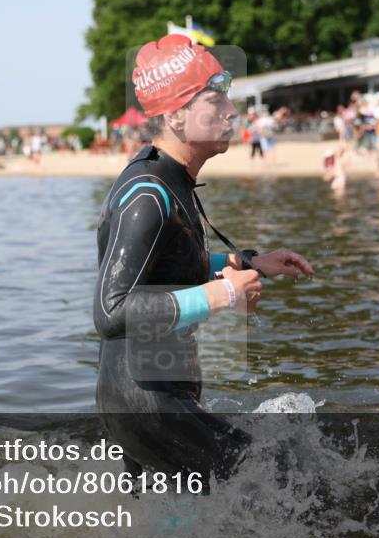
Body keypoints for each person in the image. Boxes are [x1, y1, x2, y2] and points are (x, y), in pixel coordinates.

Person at [93, 34, 314, 479]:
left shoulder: (168, 179)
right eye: (216, 101)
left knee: (172, 537)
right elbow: (110, 311)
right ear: (176, 115)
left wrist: (248, 264)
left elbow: (165, 265)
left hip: (149, 398)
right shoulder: (147, 196)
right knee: (285, 481)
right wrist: (221, 295)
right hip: (148, 403)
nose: (231, 112)